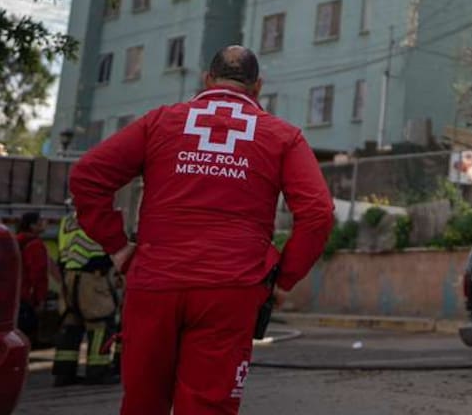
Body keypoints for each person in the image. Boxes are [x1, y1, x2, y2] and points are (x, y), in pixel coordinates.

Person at [69, 46, 333, 415]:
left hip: (155, 283)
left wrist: (118, 247)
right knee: (208, 406)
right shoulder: (282, 137)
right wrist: (283, 279)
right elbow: (318, 213)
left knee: (143, 402)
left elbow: (86, 176)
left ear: (207, 79)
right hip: (231, 289)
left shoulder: (159, 122)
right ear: (258, 86)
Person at [52, 207, 120, 385]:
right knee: (100, 325)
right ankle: (98, 372)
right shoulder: (102, 215)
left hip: (69, 277)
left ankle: (64, 374)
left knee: (71, 325)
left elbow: (62, 250)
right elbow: (114, 248)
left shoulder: (68, 220)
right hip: (93, 278)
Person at [15, 211, 49, 342]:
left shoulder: (15, 241)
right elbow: (38, 274)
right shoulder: (35, 244)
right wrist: (40, 300)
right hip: (26, 299)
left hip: (13, 297)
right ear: (32, 226)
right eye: (41, 221)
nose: (45, 223)